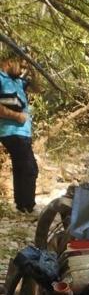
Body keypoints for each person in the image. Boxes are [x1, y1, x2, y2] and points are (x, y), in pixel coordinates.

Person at [0, 55, 38, 213]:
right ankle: (27, 206)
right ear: (9, 62)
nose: (23, 70)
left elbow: (38, 88)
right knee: (30, 168)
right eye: (21, 67)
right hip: (12, 131)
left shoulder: (18, 81)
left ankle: (22, 205)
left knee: (21, 167)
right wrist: (16, 116)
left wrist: (33, 70)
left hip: (22, 133)